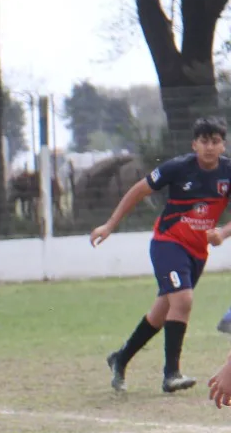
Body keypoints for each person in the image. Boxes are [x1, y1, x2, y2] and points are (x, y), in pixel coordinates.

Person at [92, 117, 231, 393]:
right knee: (183, 299)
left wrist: (222, 234)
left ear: (223, 145)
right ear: (194, 144)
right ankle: (171, 374)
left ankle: (120, 358)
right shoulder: (178, 168)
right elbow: (138, 190)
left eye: (215, 141)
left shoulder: (228, 172)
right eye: (204, 141)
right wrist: (110, 225)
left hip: (197, 252)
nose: (209, 147)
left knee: (162, 312)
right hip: (168, 243)